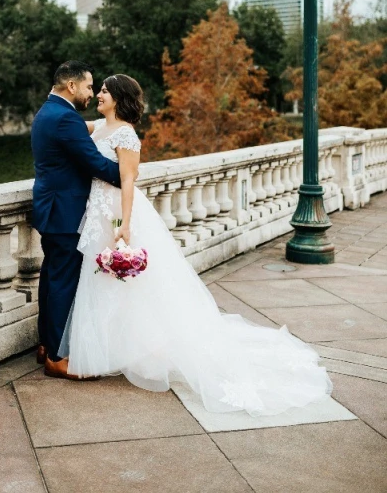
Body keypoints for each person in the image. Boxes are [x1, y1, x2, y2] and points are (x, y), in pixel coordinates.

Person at [60, 73, 333, 417]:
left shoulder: (126, 135)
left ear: (119, 97)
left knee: (130, 283)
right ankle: (109, 349)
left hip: (117, 211)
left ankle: (144, 348)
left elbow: (128, 179)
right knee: (101, 278)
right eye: (97, 90)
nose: (98, 94)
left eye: (104, 91)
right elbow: (68, 124)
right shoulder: (98, 127)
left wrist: (124, 223)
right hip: (96, 211)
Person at [31, 60, 121, 380]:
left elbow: (78, 144)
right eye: (88, 86)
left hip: (51, 209)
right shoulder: (66, 118)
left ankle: (46, 344)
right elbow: (94, 163)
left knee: (52, 277)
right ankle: (57, 357)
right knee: (62, 281)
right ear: (71, 86)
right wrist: (128, 175)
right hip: (66, 212)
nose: (91, 92)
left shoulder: (47, 112)